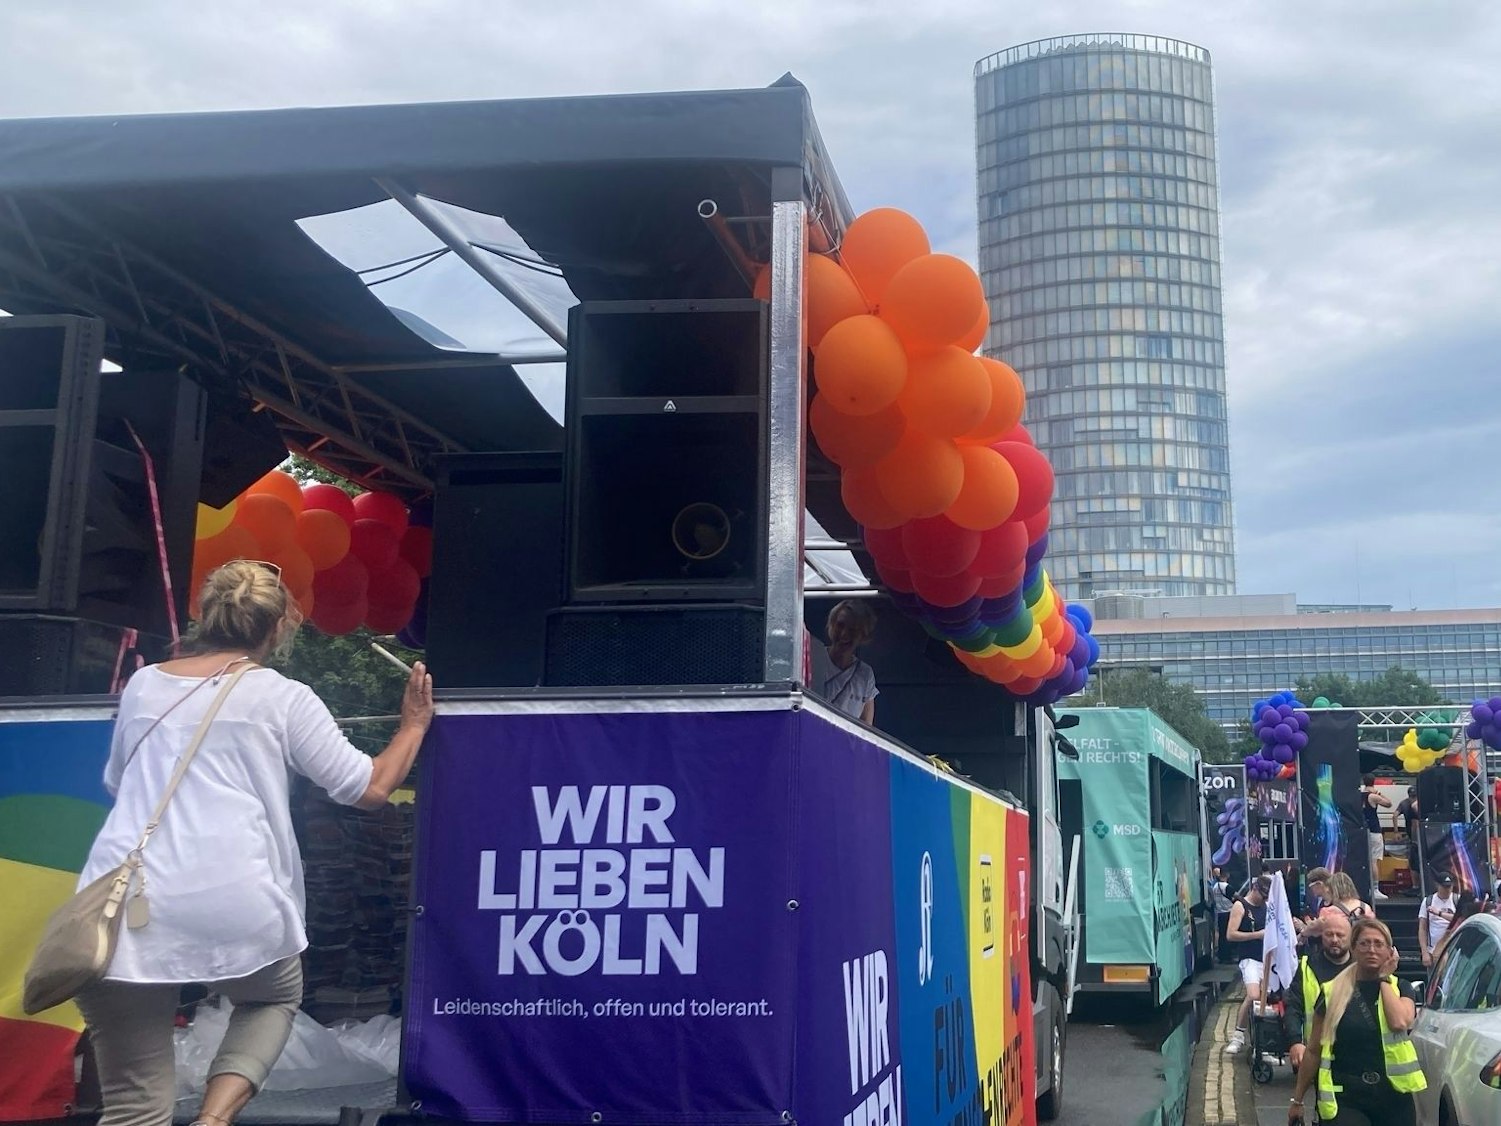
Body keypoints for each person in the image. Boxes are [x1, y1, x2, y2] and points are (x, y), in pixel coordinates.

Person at [73, 560, 435, 1126]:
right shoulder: (282, 697)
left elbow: (120, 783)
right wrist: (412, 725)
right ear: (277, 628)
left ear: (203, 614)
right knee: (270, 997)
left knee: (134, 1106)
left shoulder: (145, 685)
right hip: (234, 894)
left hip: (122, 898)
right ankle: (214, 1119)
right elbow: (367, 788)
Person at [1289, 917, 1425, 1124]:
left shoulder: (1401, 988)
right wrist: (1297, 1100)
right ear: (1353, 949)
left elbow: (1399, 1022)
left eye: (1378, 944)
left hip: (1393, 1097)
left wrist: (1383, 979)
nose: (1371, 949)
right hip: (1346, 1097)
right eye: (1364, 943)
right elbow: (1314, 1050)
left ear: (1390, 952)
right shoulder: (1332, 992)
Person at [1284, 908, 1353, 1071]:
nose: (1334, 940)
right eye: (1329, 935)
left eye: (1340, 935)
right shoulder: (1307, 966)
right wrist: (1295, 1042)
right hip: (1318, 1054)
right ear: (1322, 936)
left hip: (1355, 1054)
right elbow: (1293, 1006)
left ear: (1351, 937)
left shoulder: (1361, 967)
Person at [1225, 875, 1272, 1055]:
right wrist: (1257, 935)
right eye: (1262, 895)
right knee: (1253, 996)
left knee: (1265, 1001)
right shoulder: (1240, 905)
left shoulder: (1267, 906)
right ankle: (1238, 1036)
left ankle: (1262, 1046)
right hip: (1249, 958)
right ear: (1254, 888)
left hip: (1266, 958)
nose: (1264, 899)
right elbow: (1230, 934)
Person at [818, 599, 879, 724]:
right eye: (840, 625)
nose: (844, 634)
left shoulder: (865, 674)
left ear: (863, 635)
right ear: (831, 624)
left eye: (852, 630)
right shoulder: (813, 658)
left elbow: (866, 729)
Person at [1360, 775, 1391, 901]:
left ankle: (1365, 886)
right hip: (1374, 830)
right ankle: (1375, 889)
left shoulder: (1360, 795)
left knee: (1364, 860)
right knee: (1374, 861)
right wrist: (1379, 792)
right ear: (1374, 782)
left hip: (1362, 830)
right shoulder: (1373, 796)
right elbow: (1389, 803)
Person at [1419, 874, 1459, 967]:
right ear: (1437, 885)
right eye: (1444, 887)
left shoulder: (1457, 900)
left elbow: (1460, 920)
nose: (1447, 890)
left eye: (1449, 887)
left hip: (1454, 949)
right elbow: (1422, 928)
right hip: (1433, 950)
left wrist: (1439, 913)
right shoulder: (1428, 901)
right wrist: (1424, 952)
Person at [1208, 865, 1234, 962]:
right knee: (1229, 936)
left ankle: (1221, 956)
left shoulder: (1215, 886)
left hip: (1219, 913)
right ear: (1227, 875)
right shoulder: (1227, 887)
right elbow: (1236, 896)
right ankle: (1228, 956)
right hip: (1229, 913)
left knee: (1222, 936)